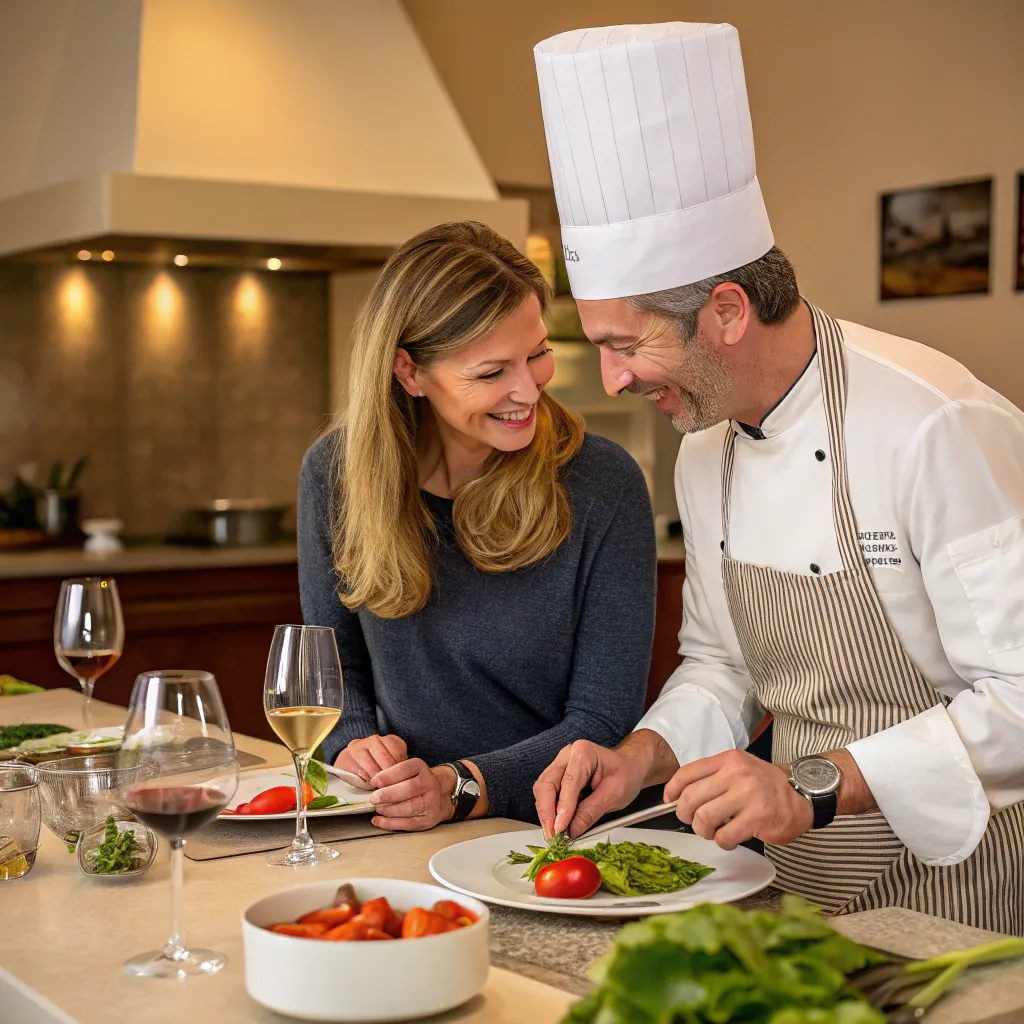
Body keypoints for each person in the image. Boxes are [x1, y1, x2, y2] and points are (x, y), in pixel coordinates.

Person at [530, 21, 1024, 934]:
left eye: (624, 343)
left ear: (725, 310)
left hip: (968, 890)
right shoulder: (708, 445)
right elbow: (721, 666)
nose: (612, 381)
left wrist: (809, 785)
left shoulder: (935, 424)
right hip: (791, 890)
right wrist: (638, 756)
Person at [297, 221, 655, 832]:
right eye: (491, 373)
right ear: (408, 373)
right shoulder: (337, 473)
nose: (527, 389)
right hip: (400, 822)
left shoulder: (602, 483)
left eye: (537, 354)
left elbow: (600, 720)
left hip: (556, 835)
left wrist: (460, 786)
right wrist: (352, 745)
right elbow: (332, 670)